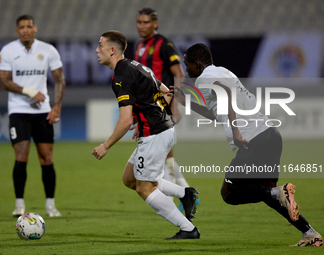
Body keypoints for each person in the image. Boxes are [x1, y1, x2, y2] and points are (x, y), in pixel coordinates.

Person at [173, 43, 323, 247]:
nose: (186, 70)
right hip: (270, 135)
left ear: (198, 64)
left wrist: (236, 130)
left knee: (230, 193)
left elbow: (225, 94)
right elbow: (218, 111)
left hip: (252, 139)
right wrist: (187, 102)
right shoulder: (223, 72)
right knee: (271, 195)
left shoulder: (205, 77)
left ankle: (280, 196)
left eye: (187, 64)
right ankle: (309, 233)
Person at [92, 30, 199, 239]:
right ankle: (185, 193)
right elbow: (165, 92)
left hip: (156, 135)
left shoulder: (121, 77)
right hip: (162, 130)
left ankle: (188, 229)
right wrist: (145, 118)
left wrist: (105, 146)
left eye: (100, 45)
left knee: (143, 187)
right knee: (130, 178)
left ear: (112, 50)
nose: (97, 50)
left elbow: (123, 121)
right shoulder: (136, 66)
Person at [0, 15, 65, 217]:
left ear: (34, 28)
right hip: (19, 111)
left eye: (29, 26)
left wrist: (56, 107)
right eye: (21, 27)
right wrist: (29, 91)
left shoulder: (48, 50)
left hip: (42, 112)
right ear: (17, 30)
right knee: (21, 156)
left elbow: (60, 79)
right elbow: (4, 81)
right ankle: (19, 204)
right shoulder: (8, 51)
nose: (25, 30)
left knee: (47, 158)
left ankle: (51, 205)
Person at [135, 8, 193, 210]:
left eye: (146, 22)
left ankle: (179, 196)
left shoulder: (164, 44)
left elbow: (179, 73)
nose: (142, 26)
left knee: (158, 153)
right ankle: (185, 192)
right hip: (148, 106)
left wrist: (175, 105)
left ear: (155, 24)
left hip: (163, 103)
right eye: (139, 22)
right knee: (164, 154)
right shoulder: (140, 46)